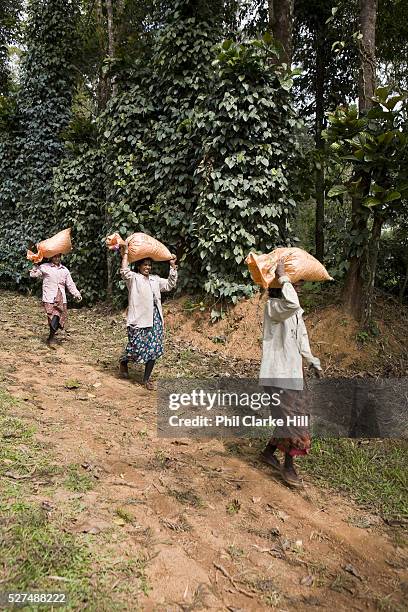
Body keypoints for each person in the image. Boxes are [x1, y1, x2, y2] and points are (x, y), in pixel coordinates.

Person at [259, 259, 322, 487]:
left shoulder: (293, 311)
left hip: (294, 372)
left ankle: (268, 453)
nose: (298, 287)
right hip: (278, 373)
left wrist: (313, 361)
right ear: (281, 285)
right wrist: (284, 275)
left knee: (292, 417)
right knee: (294, 421)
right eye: (294, 284)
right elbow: (292, 304)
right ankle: (289, 466)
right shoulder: (274, 308)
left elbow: (302, 339)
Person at [119, 240, 177, 390]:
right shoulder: (133, 278)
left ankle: (146, 379)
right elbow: (124, 271)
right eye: (145, 265)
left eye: (149, 265)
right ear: (139, 266)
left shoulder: (155, 279)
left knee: (154, 348)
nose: (147, 267)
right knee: (136, 347)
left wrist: (172, 268)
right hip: (138, 318)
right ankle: (124, 361)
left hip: (155, 318)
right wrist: (125, 253)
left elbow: (170, 285)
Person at [29, 253, 82, 348]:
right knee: (53, 317)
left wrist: (76, 294)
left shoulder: (64, 270)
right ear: (51, 257)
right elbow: (34, 275)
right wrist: (35, 265)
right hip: (49, 297)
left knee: (58, 318)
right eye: (55, 256)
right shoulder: (44, 267)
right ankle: (51, 338)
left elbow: (70, 284)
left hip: (61, 297)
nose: (57, 258)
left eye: (58, 256)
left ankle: (51, 337)